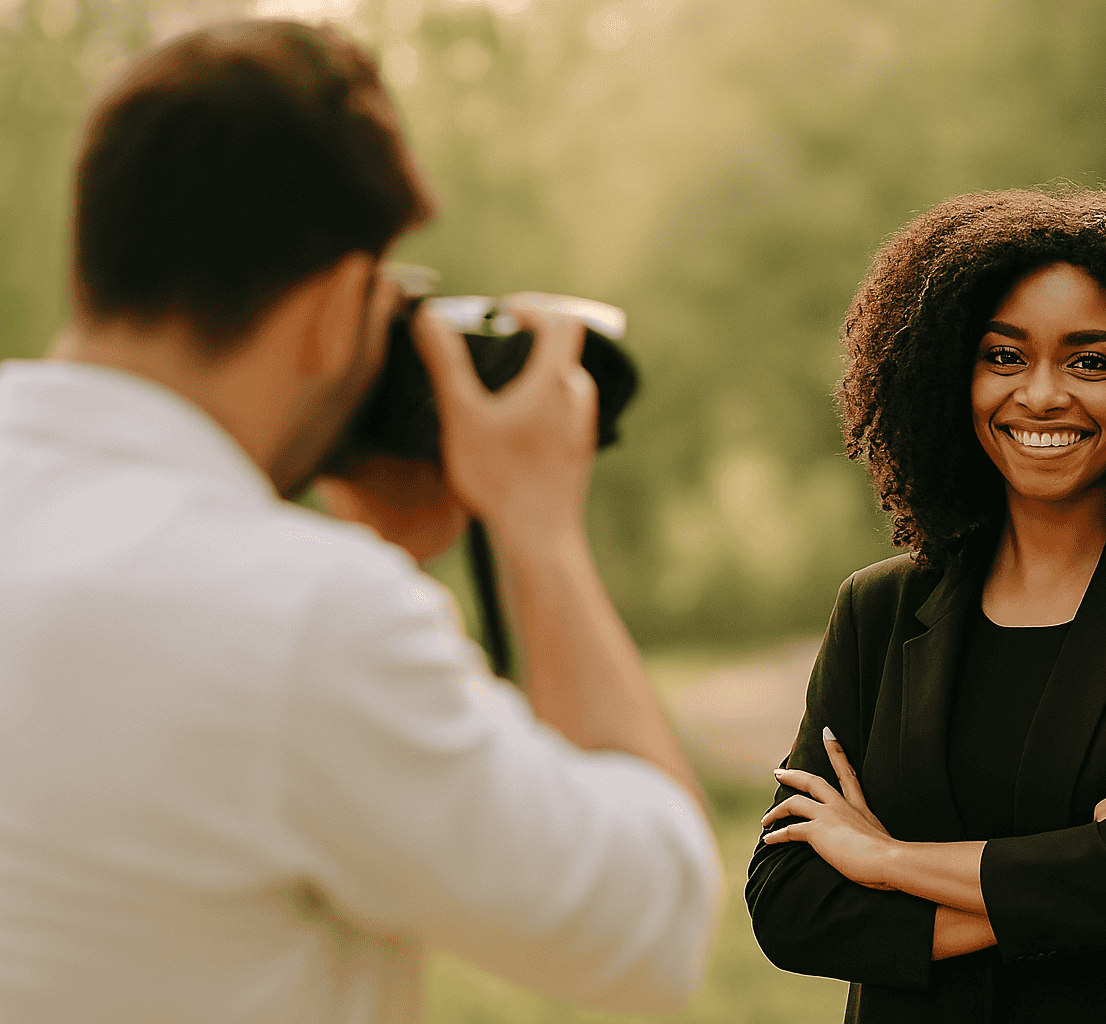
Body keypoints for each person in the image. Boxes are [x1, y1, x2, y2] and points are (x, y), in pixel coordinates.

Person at [0, 19, 720, 1023]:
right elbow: (649, 924)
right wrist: (537, 534)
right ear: (340, 305)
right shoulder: (306, 622)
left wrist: (362, 551)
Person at [745, 187, 1106, 1023]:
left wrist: (884, 859)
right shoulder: (879, 611)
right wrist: (1083, 864)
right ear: (949, 375)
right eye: (1004, 357)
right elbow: (790, 905)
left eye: (1091, 361)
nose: (1040, 395)